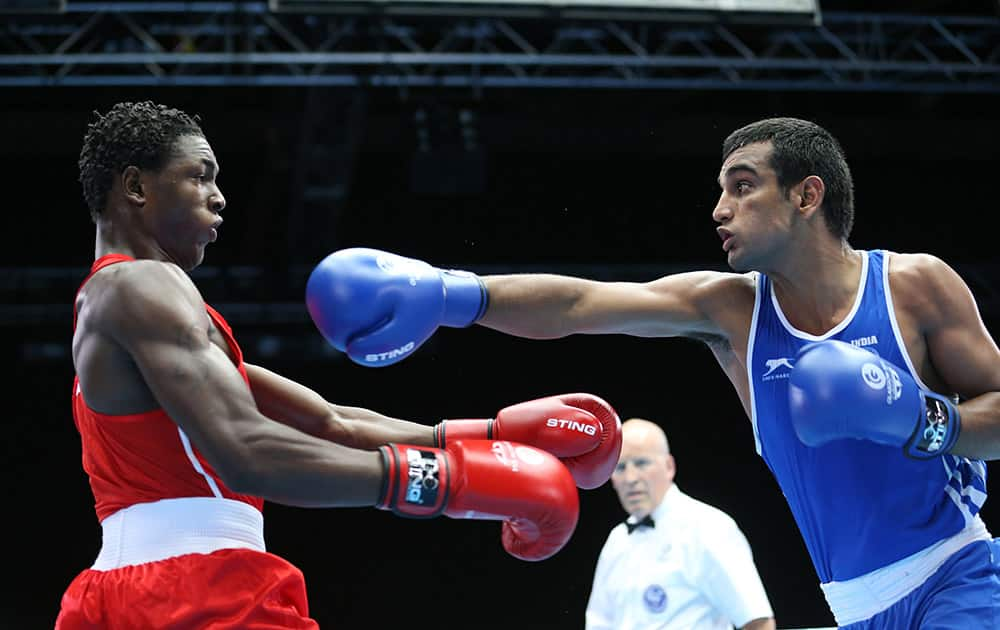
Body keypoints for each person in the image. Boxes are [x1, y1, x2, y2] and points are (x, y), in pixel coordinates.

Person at [307, 117, 1000, 628]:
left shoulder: (914, 287)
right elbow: (583, 303)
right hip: (851, 606)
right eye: (720, 190)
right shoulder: (730, 312)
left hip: (957, 573)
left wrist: (925, 422)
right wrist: (460, 294)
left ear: (806, 196)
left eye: (742, 187)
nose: (718, 210)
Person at [57, 100, 624, 629]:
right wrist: (444, 483)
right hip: (195, 591)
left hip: (130, 590)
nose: (219, 195)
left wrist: (488, 436)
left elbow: (330, 423)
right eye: (199, 175)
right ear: (135, 186)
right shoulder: (142, 285)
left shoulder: (126, 305)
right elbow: (247, 452)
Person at [586, 418, 775, 630]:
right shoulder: (616, 541)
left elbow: (758, 621)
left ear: (669, 466)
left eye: (641, 463)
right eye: (620, 468)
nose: (630, 478)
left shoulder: (708, 527)